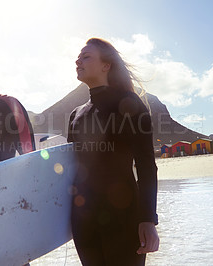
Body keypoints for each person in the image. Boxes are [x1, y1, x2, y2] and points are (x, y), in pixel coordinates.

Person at [67, 38, 159, 265]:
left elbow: (146, 165)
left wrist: (148, 219)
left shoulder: (129, 104)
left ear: (106, 65)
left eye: (86, 56)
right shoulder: (76, 114)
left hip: (124, 216)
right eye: (78, 56)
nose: (78, 60)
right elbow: (70, 170)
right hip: (84, 220)